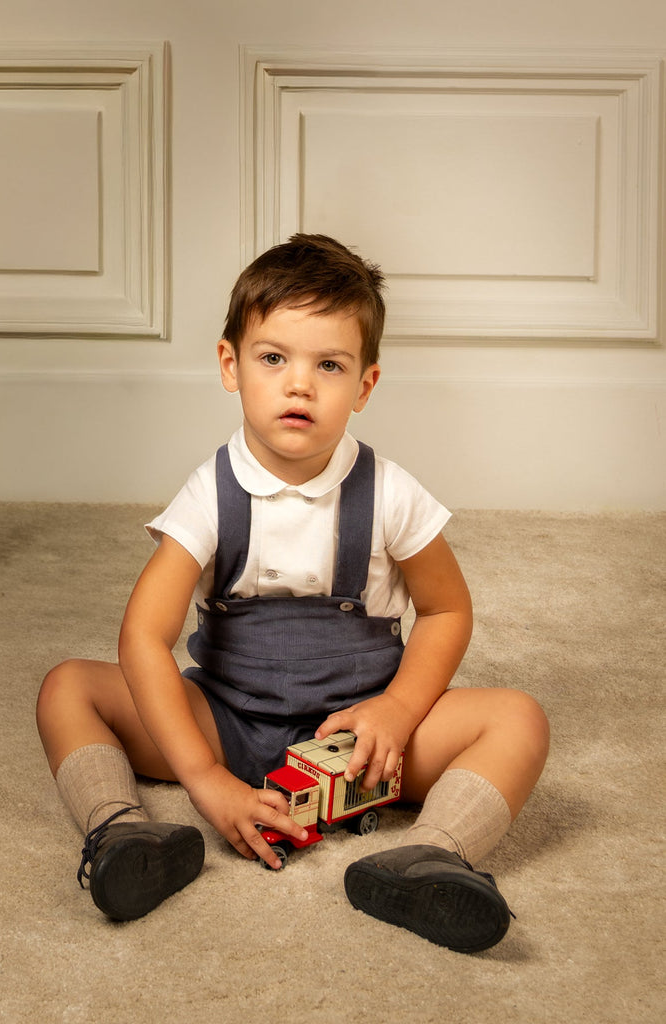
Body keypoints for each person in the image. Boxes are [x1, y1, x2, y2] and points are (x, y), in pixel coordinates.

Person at [36, 233, 549, 952]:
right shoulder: (209, 497)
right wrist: (204, 775)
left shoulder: (390, 494)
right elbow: (142, 639)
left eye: (328, 365)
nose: (298, 384)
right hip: (227, 722)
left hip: (364, 749)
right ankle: (122, 832)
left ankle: (428, 855)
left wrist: (397, 715)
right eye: (273, 358)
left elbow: (446, 609)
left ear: (365, 385)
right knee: (69, 688)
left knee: (517, 719)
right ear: (230, 365)